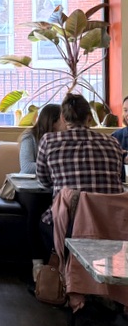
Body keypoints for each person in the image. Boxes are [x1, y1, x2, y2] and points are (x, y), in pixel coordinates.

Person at [36, 93, 124, 258]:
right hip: (111, 225)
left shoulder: (49, 141)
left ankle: (62, 267)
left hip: (69, 225)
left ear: (63, 118)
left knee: (44, 221)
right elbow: (119, 176)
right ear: (89, 118)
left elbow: (44, 180)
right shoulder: (113, 142)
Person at [18, 103, 64, 174]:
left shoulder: (64, 138)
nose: (67, 123)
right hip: (31, 180)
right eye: (64, 120)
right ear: (53, 122)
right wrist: (56, 165)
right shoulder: (29, 137)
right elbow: (26, 167)